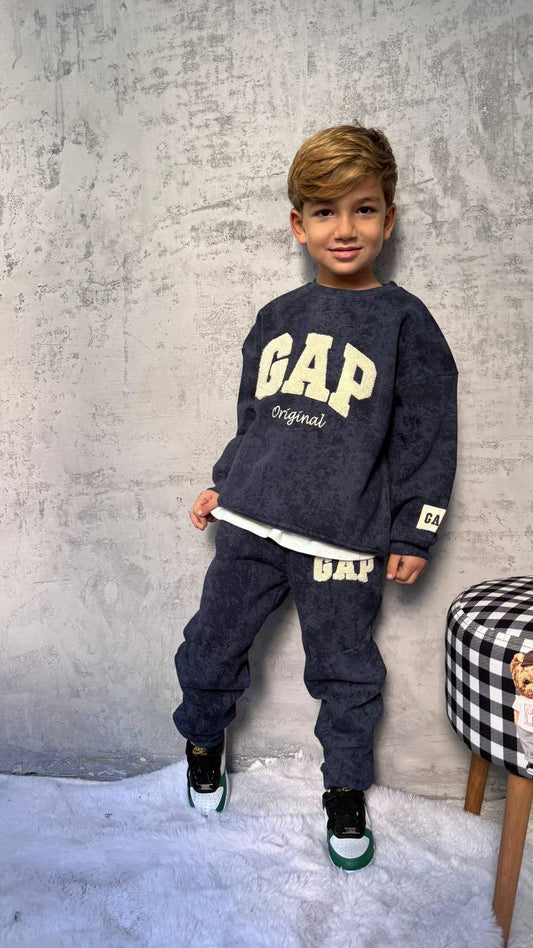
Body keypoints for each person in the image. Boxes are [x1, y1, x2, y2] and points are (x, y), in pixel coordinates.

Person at [172, 123, 458, 872]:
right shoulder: (276, 316)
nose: (345, 228)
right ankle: (202, 738)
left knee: (347, 672)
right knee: (211, 643)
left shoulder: (404, 322)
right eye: (325, 211)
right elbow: (254, 419)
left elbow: (427, 436)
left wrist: (415, 531)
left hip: (343, 538)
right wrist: (222, 481)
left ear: (389, 218)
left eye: (363, 209)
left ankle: (345, 788)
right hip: (249, 522)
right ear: (299, 225)